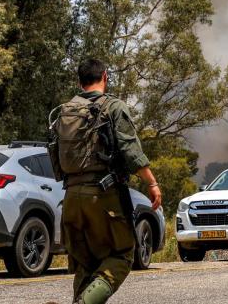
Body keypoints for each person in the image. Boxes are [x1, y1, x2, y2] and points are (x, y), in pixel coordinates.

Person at [49, 59, 162, 304]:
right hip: (102, 198)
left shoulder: (65, 111)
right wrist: (151, 183)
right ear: (105, 77)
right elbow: (130, 150)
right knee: (122, 255)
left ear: (80, 81)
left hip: (71, 199)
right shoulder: (113, 107)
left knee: (85, 265)